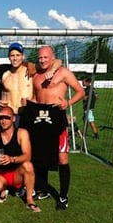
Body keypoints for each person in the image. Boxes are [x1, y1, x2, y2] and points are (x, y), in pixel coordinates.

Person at [21, 45, 85, 210]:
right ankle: (43, 190)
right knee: (40, 156)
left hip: (57, 119)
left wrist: (68, 103)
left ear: (53, 57)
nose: (42, 60)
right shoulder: (36, 76)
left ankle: (63, 197)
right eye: (40, 57)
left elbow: (80, 91)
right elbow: (37, 97)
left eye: (46, 57)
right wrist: (27, 103)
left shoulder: (63, 72)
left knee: (62, 158)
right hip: (40, 120)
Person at [0, 106, 40, 212]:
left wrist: (12, 159)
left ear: (14, 119)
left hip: (15, 173)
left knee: (28, 165)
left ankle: (29, 199)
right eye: (1, 118)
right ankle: (5, 188)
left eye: (7, 118)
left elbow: (28, 156)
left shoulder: (21, 133)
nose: (4, 121)